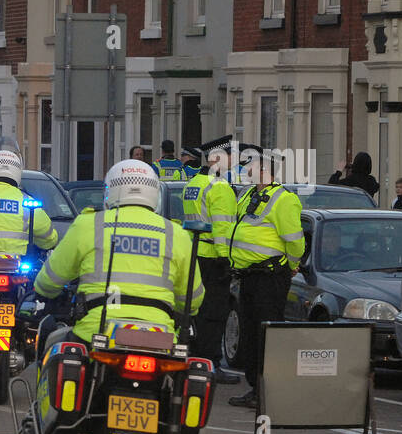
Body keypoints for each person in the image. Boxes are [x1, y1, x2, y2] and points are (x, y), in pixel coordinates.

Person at [33, 158, 202, 348]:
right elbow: (192, 300)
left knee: (57, 351)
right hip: (159, 336)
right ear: (155, 194)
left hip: (96, 331)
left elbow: (49, 280)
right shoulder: (176, 234)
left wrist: (44, 291)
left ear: (108, 192)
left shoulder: (89, 224)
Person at [226, 151, 305, 407]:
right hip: (248, 276)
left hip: (270, 277)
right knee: (250, 334)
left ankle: (267, 391)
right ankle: (255, 388)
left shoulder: (285, 200)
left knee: (266, 336)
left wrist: (292, 265)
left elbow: (295, 241)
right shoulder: (248, 194)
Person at [184, 140, 240, 384]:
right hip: (213, 258)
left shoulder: (194, 183)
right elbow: (222, 228)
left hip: (194, 255)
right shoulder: (220, 187)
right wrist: (227, 260)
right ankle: (210, 364)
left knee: (195, 311)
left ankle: (194, 359)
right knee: (214, 313)